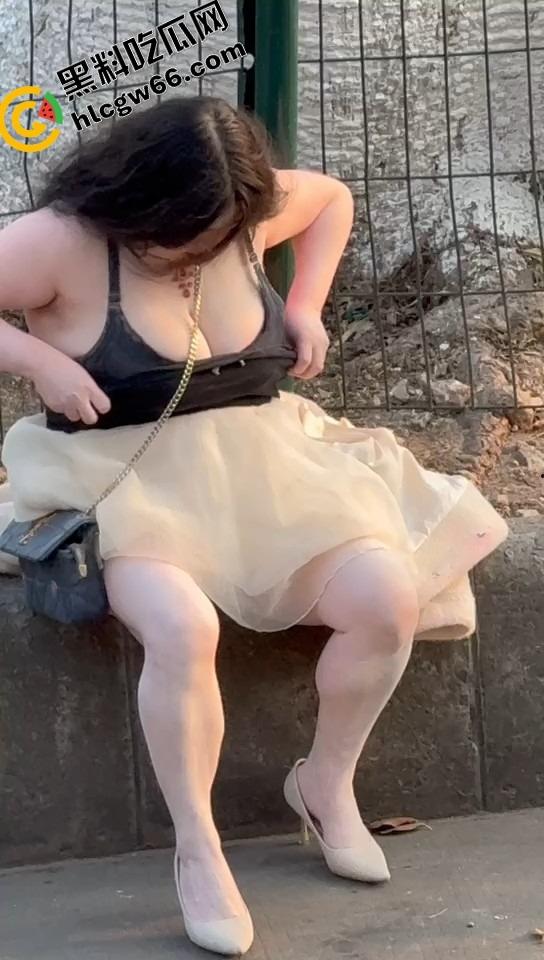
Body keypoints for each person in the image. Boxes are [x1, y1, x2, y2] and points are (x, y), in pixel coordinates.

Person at [0, 96, 508, 956]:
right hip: (121, 478)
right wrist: (37, 358)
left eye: (227, 232)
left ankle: (325, 784)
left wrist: (306, 303)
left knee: (385, 599)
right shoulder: (57, 241)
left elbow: (331, 199)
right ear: (144, 197)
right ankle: (198, 848)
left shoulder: (237, 212)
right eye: (190, 236)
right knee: (182, 628)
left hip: (265, 466)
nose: (210, 251)